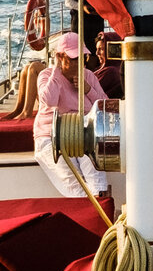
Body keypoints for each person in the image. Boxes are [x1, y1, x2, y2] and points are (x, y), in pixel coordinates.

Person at [33, 31, 111, 200]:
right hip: (51, 135)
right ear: (61, 57)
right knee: (74, 181)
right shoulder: (46, 76)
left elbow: (106, 107)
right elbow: (49, 101)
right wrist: (56, 70)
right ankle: (92, 210)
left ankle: (101, 204)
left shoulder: (88, 76)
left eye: (82, 57)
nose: (79, 63)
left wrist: (87, 89)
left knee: (96, 174)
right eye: (74, 58)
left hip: (84, 133)